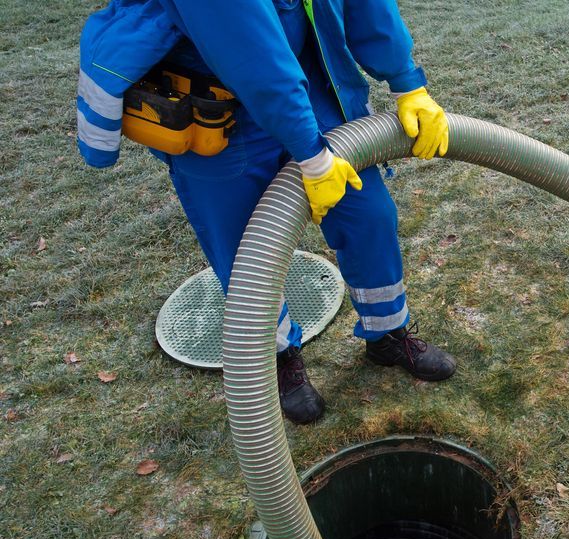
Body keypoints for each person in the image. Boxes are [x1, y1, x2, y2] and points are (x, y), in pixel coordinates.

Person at [76, 0, 457, 425]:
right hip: (213, 100)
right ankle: (280, 357)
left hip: (307, 82)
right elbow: (248, 48)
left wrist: (407, 82)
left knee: (368, 214)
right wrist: (311, 157)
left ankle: (387, 332)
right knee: (245, 251)